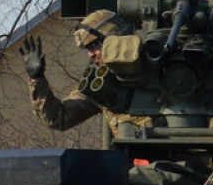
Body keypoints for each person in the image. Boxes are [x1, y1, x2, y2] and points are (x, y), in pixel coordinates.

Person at [19, 9, 152, 133]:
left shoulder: (156, 60)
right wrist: (37, 79)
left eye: (94, 46)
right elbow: (59, 118)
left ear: (113, 39)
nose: (91, 55)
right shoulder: (101, 86)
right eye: (88, 49)